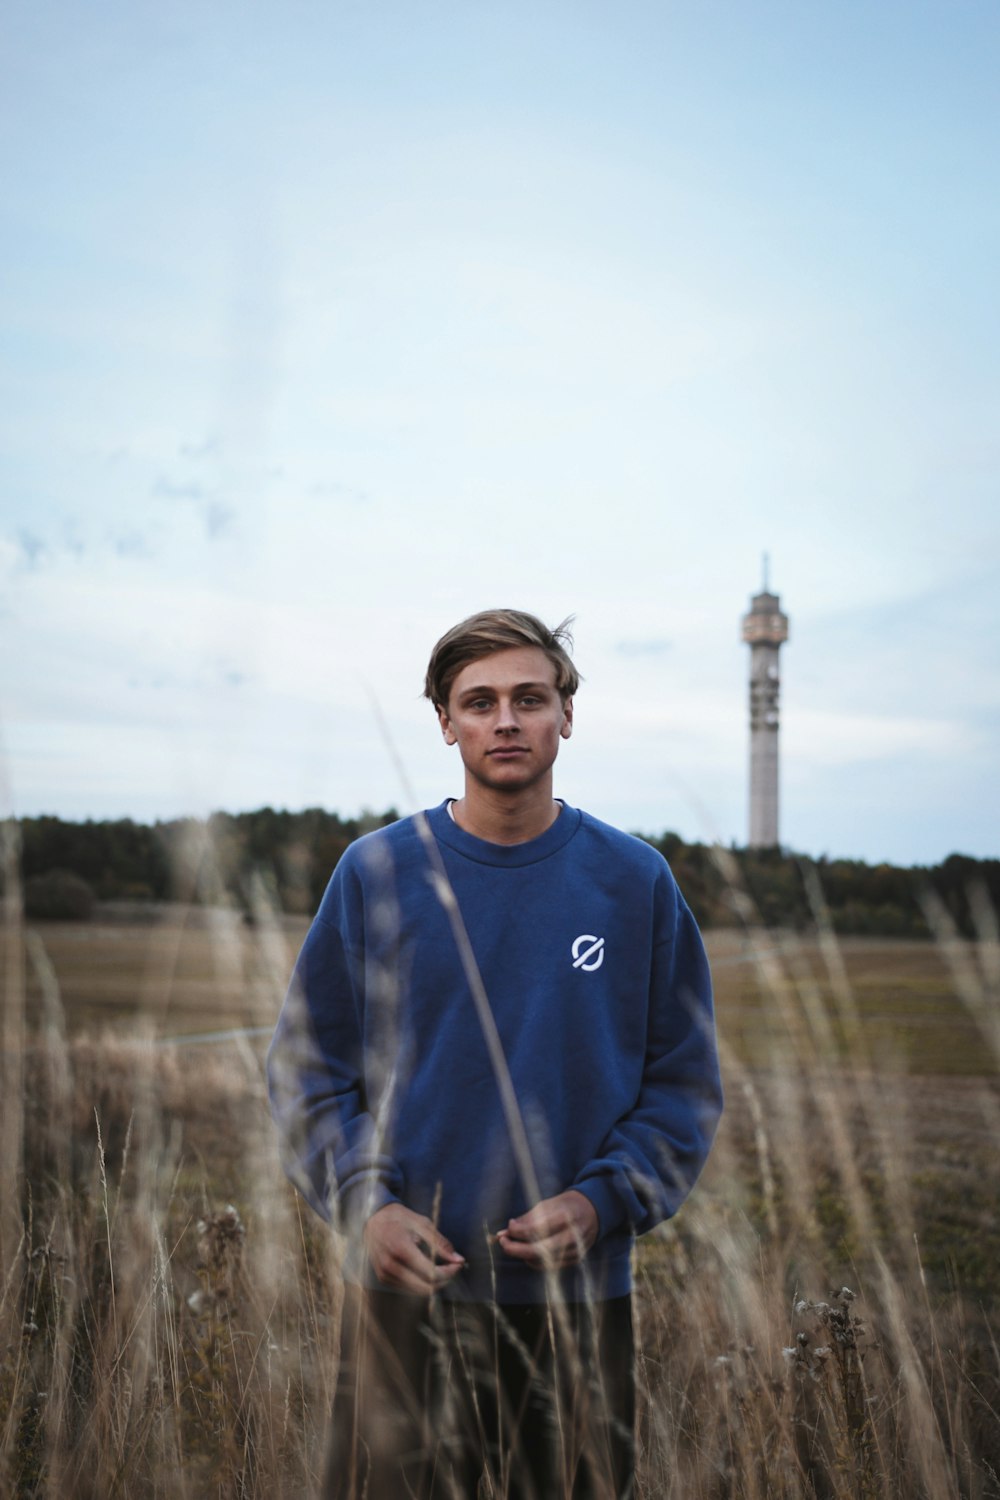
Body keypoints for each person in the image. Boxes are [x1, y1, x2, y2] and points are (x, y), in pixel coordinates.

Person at [267, 609, 722, 1500]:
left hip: (578, 1310)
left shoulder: (634, 882)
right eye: (479, 702)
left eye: (529, 698)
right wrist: (366, 1206)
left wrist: (604, 1202)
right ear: (445, 722)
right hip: (407, 1303)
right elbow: (307, 1073)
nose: (505, 720)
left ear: (566, 714)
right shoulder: (376, 873)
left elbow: (683, 1084)